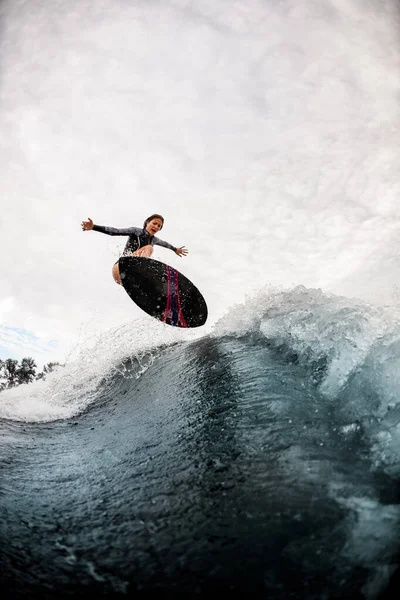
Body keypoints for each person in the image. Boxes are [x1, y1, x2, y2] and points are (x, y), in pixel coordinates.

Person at [81, 214, 188, 284]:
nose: (156, 227)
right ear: (147, 223)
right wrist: (94, 227)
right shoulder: (136, 231)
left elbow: (165, 244)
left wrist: (175, 249)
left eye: (159, 226)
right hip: (120, 267)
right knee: (149, 249)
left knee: (154, 273)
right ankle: (140, 270)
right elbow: (115, 231)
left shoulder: (154, 239)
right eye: (154, 223)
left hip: (125, 278)